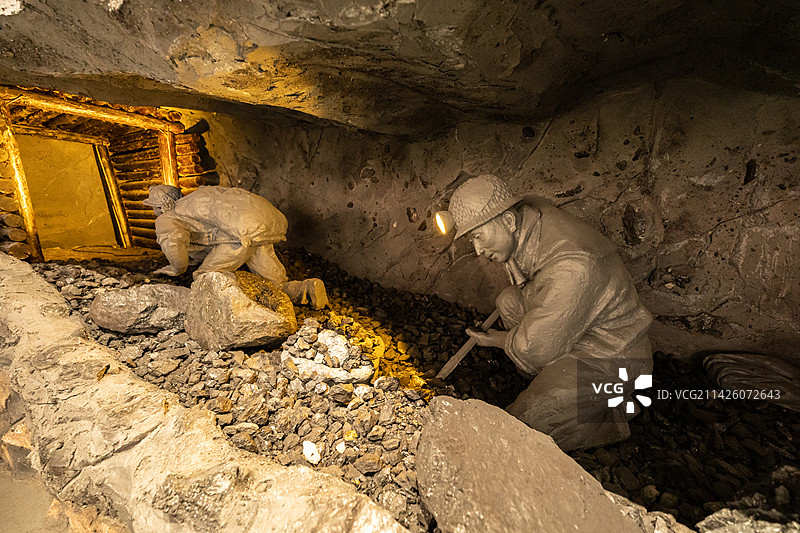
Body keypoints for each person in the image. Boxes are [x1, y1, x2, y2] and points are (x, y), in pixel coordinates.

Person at [446, 174, 652, 450]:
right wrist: (497, 338)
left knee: (526, 424)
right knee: (508, 301)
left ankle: (614, 411)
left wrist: (499, 340)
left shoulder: (573, 266)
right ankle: (553, 380)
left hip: (612, 357)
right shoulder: (532, 221)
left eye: (479, 236)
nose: (479, 251)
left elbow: (536, 348)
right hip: (578, 331)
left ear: (508, 221)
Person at [142, 184, 328, 309]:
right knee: (276, 282)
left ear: (160, 206)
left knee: (205, 278)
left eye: (153, 207)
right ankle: (306, 289)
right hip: (255, 235)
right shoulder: (191, 206)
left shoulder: (167, 218)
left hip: (235, 241)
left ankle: (241, 309)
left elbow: (173, 243)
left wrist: (176, 269)